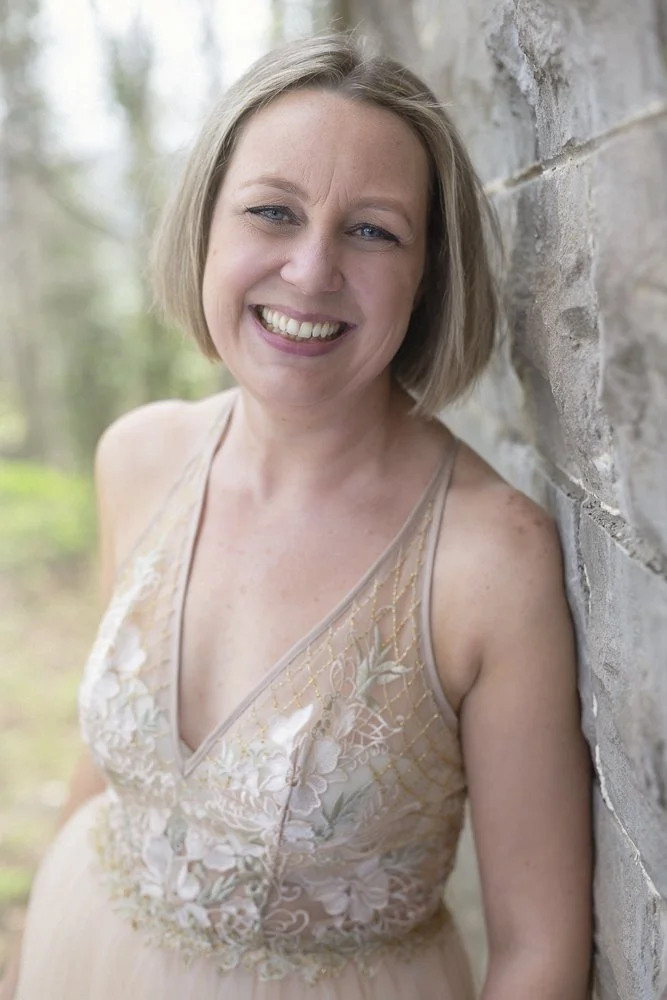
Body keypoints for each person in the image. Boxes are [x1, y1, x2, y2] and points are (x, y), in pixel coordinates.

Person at [5, 31, 592, 1000]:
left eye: (373, 231)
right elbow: (103, 773)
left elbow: (539, 949)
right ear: (206, 226)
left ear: (429, 273)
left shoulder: (490, 560)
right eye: (272, 212)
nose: (311, 271)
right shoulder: (137, 456)